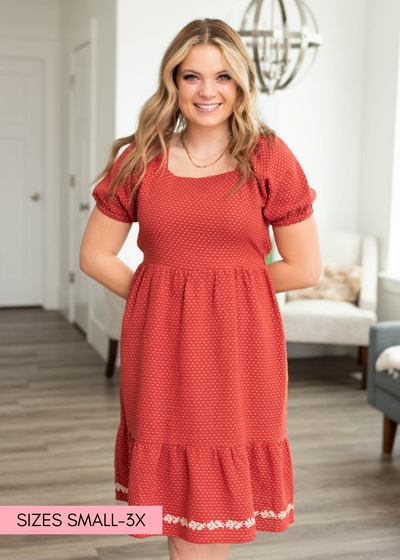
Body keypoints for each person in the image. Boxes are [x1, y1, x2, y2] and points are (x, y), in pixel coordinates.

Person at [80, 17, 321, 560]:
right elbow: (95, 255)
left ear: (241, 85)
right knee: (182, 513)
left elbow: (304, 268)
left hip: (241, 352)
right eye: (192, 76)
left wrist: (224, 299)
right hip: (162, 350)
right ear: (173, 82)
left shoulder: (268, 157)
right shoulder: (139, 160)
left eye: (223, 77)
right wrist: (159, 299)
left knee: (210, 519)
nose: (207, 91)